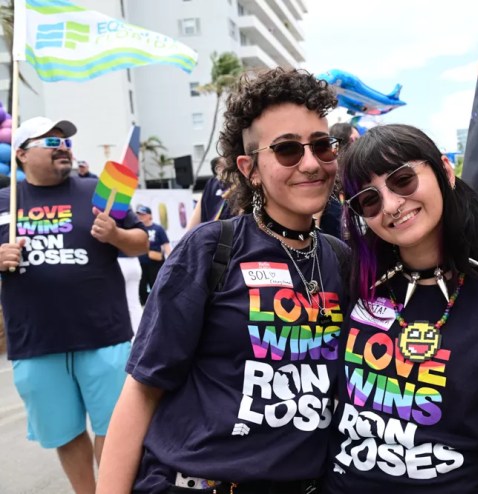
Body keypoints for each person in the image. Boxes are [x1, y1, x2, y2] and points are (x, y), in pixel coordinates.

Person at [97, 68, 349, 494]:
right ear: (250, 169)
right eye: (287, 149)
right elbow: (141, 392)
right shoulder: (209, 249)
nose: (310, 163)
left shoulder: (341, 258)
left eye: (322, 146)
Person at [322, 124, 478, 493]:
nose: (390, 205)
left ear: (445, 171)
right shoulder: (352, 285)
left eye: (402, 180)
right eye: (369, 200)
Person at [0, 116, 148, 493]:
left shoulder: (95, 190)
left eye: (65, 142)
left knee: (112, 428)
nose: (63, 147)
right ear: (21, 154)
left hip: (103, 335)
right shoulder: (5, 201)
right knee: (64, 432)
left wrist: (116, 234)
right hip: (36, 341)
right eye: (51, 143)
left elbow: (140, 243)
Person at [135, 205, 171, 305]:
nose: (140, 216)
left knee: (155, 285)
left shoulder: (158, 229)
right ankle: (145, 306)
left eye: (143, 214)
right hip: (141, 263)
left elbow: (166, 245)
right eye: (139, 214)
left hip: (155, 263)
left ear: (149, 215)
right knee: (141, 287)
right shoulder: (137, 229)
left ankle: (157, 305)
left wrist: (171, 260)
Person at [185, 156, 233, 230]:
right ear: (218, 169)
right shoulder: (212, 185)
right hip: (213, 236)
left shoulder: (246, 183)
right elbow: (192, 228)